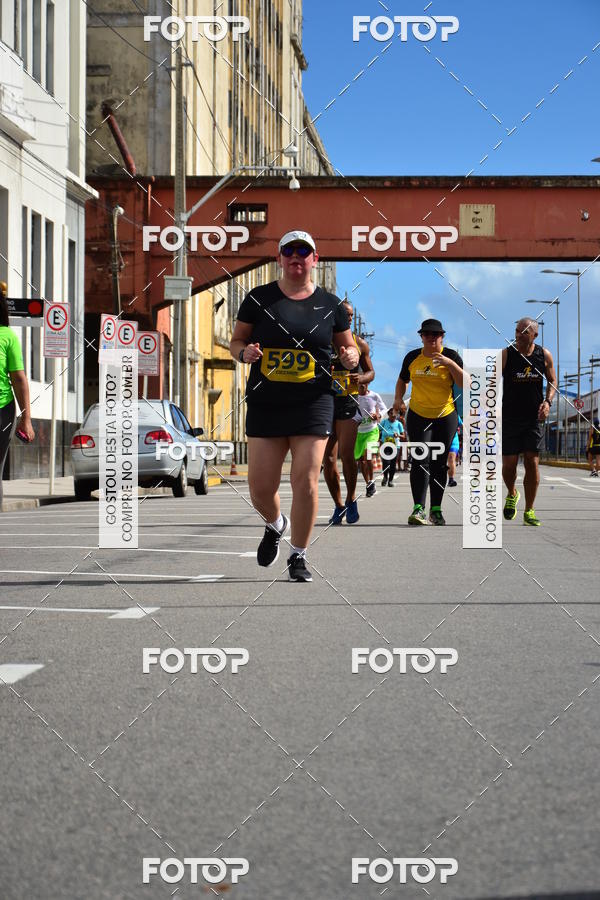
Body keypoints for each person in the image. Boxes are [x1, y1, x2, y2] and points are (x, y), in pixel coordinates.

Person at [229, 231, 359, 582]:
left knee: (305, 479)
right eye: (289, 250)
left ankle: (298, 554)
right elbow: (236, 340)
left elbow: (349, 347)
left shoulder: (331, 305)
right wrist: (244, 353)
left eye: (304, 251)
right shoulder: (259, 298)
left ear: (315, 259)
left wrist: (350, 356)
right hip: (267, 402)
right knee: (260, 489)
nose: (296, 256)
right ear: (279, 258)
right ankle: (275, 524)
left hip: (313, 401)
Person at [393, 318, 465, 525]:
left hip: (445, 416)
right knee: (420, 460)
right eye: (427, 334)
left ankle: (436, 510)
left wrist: (450, 364)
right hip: (418, 415)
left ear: (442, 336)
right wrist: (398, 398)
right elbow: (402, 380)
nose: (431, 338)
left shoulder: (451, 356)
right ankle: (418, 509)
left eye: (436, 334)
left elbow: (465, 383)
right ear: (421, 337)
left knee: (439, 464)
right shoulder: (412, 357)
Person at [323, 299, 374, 525]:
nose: (349, 317)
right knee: (328, 459)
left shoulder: (359, 343)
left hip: (347, 402)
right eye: (345, 313)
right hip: (324, 403)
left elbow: (371, 372)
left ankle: (351, 498)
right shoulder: (322, 340)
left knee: (346, 455)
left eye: (351, 315)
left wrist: (360, 378)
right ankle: (338, 505)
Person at [502, 316, 557, 526]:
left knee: (532, 463)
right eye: (517, 330)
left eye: (523, 332)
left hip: (533, 418)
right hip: (510, 417)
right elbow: (490, 380)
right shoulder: (507, 354)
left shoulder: (543, 355)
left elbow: (552, 380)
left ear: (535, 334)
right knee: (509, 465)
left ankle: (529, 510)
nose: (518, 335)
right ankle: (512, 493)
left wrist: (548, 402)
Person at [0, 284, 35, 508]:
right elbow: (19, 379)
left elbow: (19, 379)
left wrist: (26, 418)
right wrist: (26, 419)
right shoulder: (8, 336)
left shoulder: (7, 336)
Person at [353, 382, 387, 497]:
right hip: (358, 432)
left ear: (368, 383)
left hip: (372, 430)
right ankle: (369, 484)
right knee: (362, 461)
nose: (362, 385)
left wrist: (378, 415)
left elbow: (384, 409)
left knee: (368, 455)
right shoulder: (353, 396)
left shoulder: (374, 396)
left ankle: (371, 480)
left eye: (365, 383)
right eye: (360, 383)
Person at [379, 408, 404, 486]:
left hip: (395, 446)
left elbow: (403, 436)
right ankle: (385, 477)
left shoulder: (399, 424)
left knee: (393, 463)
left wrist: (398, 435)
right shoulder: (384, 422)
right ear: (388, 414)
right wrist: (379, 439)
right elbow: (378, 430)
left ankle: (390, 480)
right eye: (391, 414)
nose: (393, 415)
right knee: (386, 462)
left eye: (395, 414)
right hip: (385, 445)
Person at [447, 414, 463, 487]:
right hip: (440, 441)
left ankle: (451, 479)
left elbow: (462, 425)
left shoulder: (455, 415)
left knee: (451, 458)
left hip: (453, 440)